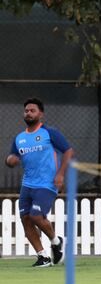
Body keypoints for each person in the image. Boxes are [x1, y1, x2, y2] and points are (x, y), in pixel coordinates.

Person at [6, 98, 73, 267]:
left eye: (32, 110)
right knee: (26, 220)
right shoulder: (19, 138)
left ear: (40, 114)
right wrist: (10, 160)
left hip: (47, 184)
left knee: (36, 216)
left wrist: (60, 174)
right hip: (27, 185)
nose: (28, 113)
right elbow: (12, 156)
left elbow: (68, 150)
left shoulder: (49, 133)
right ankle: (43, 257)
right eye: (26, 110)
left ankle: (56, 241)